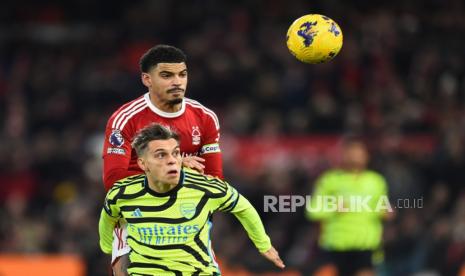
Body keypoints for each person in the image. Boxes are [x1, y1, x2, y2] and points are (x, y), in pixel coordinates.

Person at [99, 123, 285, 275]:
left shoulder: (204, 187)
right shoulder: (123, 193)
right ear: (143, 164)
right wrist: (107, 247)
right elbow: (108, 216)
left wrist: (264, 244)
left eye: (176, 153)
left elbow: (242, 207)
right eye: (161, 155)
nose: (172, 160)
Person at [102, 45, 223, 274]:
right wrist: (176, 166)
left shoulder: (205, 118)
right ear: (147, 79)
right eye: (167, 75)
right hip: (136, 222)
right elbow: (113, 181)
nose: (177, 82)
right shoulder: (125, 119)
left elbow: (216, 182)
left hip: (188, 224)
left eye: (182, 74)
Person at [306, 138, 390, 276]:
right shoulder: (329, 180)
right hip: (336, 245)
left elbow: (382, 207)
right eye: (351, 153)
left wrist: (385, 212)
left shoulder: (376, 181)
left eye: (359, 153)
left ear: (366, 156)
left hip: (366, 244)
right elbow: (313, 210)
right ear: (344, 155)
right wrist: (333, 209)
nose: (355, 157)